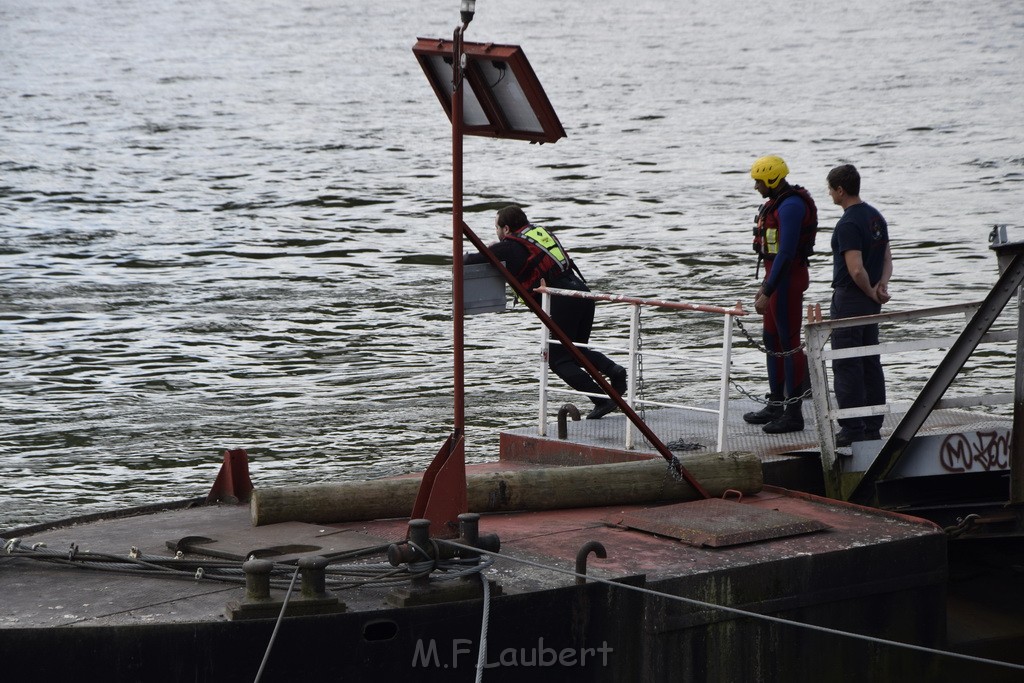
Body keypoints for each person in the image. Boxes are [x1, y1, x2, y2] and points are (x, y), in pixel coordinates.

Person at [465, 205, 627, 419]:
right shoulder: (539, 234)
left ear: (505, 228)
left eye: (496, 227)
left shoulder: (508, 246)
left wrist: (480, 251)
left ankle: (601, 399)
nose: (496, 232)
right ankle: (615, 371)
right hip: (583, 295)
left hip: (562, 299)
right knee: (576, 351)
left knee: (558, 360)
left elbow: (469, 260)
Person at [743, 155, 818, 433]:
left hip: (787, 281)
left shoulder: (791, 206)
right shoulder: (776, 203)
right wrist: (766, 286)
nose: (756, 187)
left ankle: (793, 413)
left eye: (759, 182)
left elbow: (786, 253)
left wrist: (769, 289)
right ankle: (775, 404)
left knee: (788, 342)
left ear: (772, 180)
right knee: (771, 339)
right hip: (775, 278)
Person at [826, 164, 892, 446]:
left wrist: (868, 290)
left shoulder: (849, 223)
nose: (829, 193)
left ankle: (852, 427)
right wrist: (881, 287)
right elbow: (888, 259)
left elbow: (855, 269)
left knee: (846, 363)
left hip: (851, 299)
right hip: (871, 300)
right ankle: (873, 424)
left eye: (830, 189)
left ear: (840, 190)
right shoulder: (875, 216)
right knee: (870, 360)